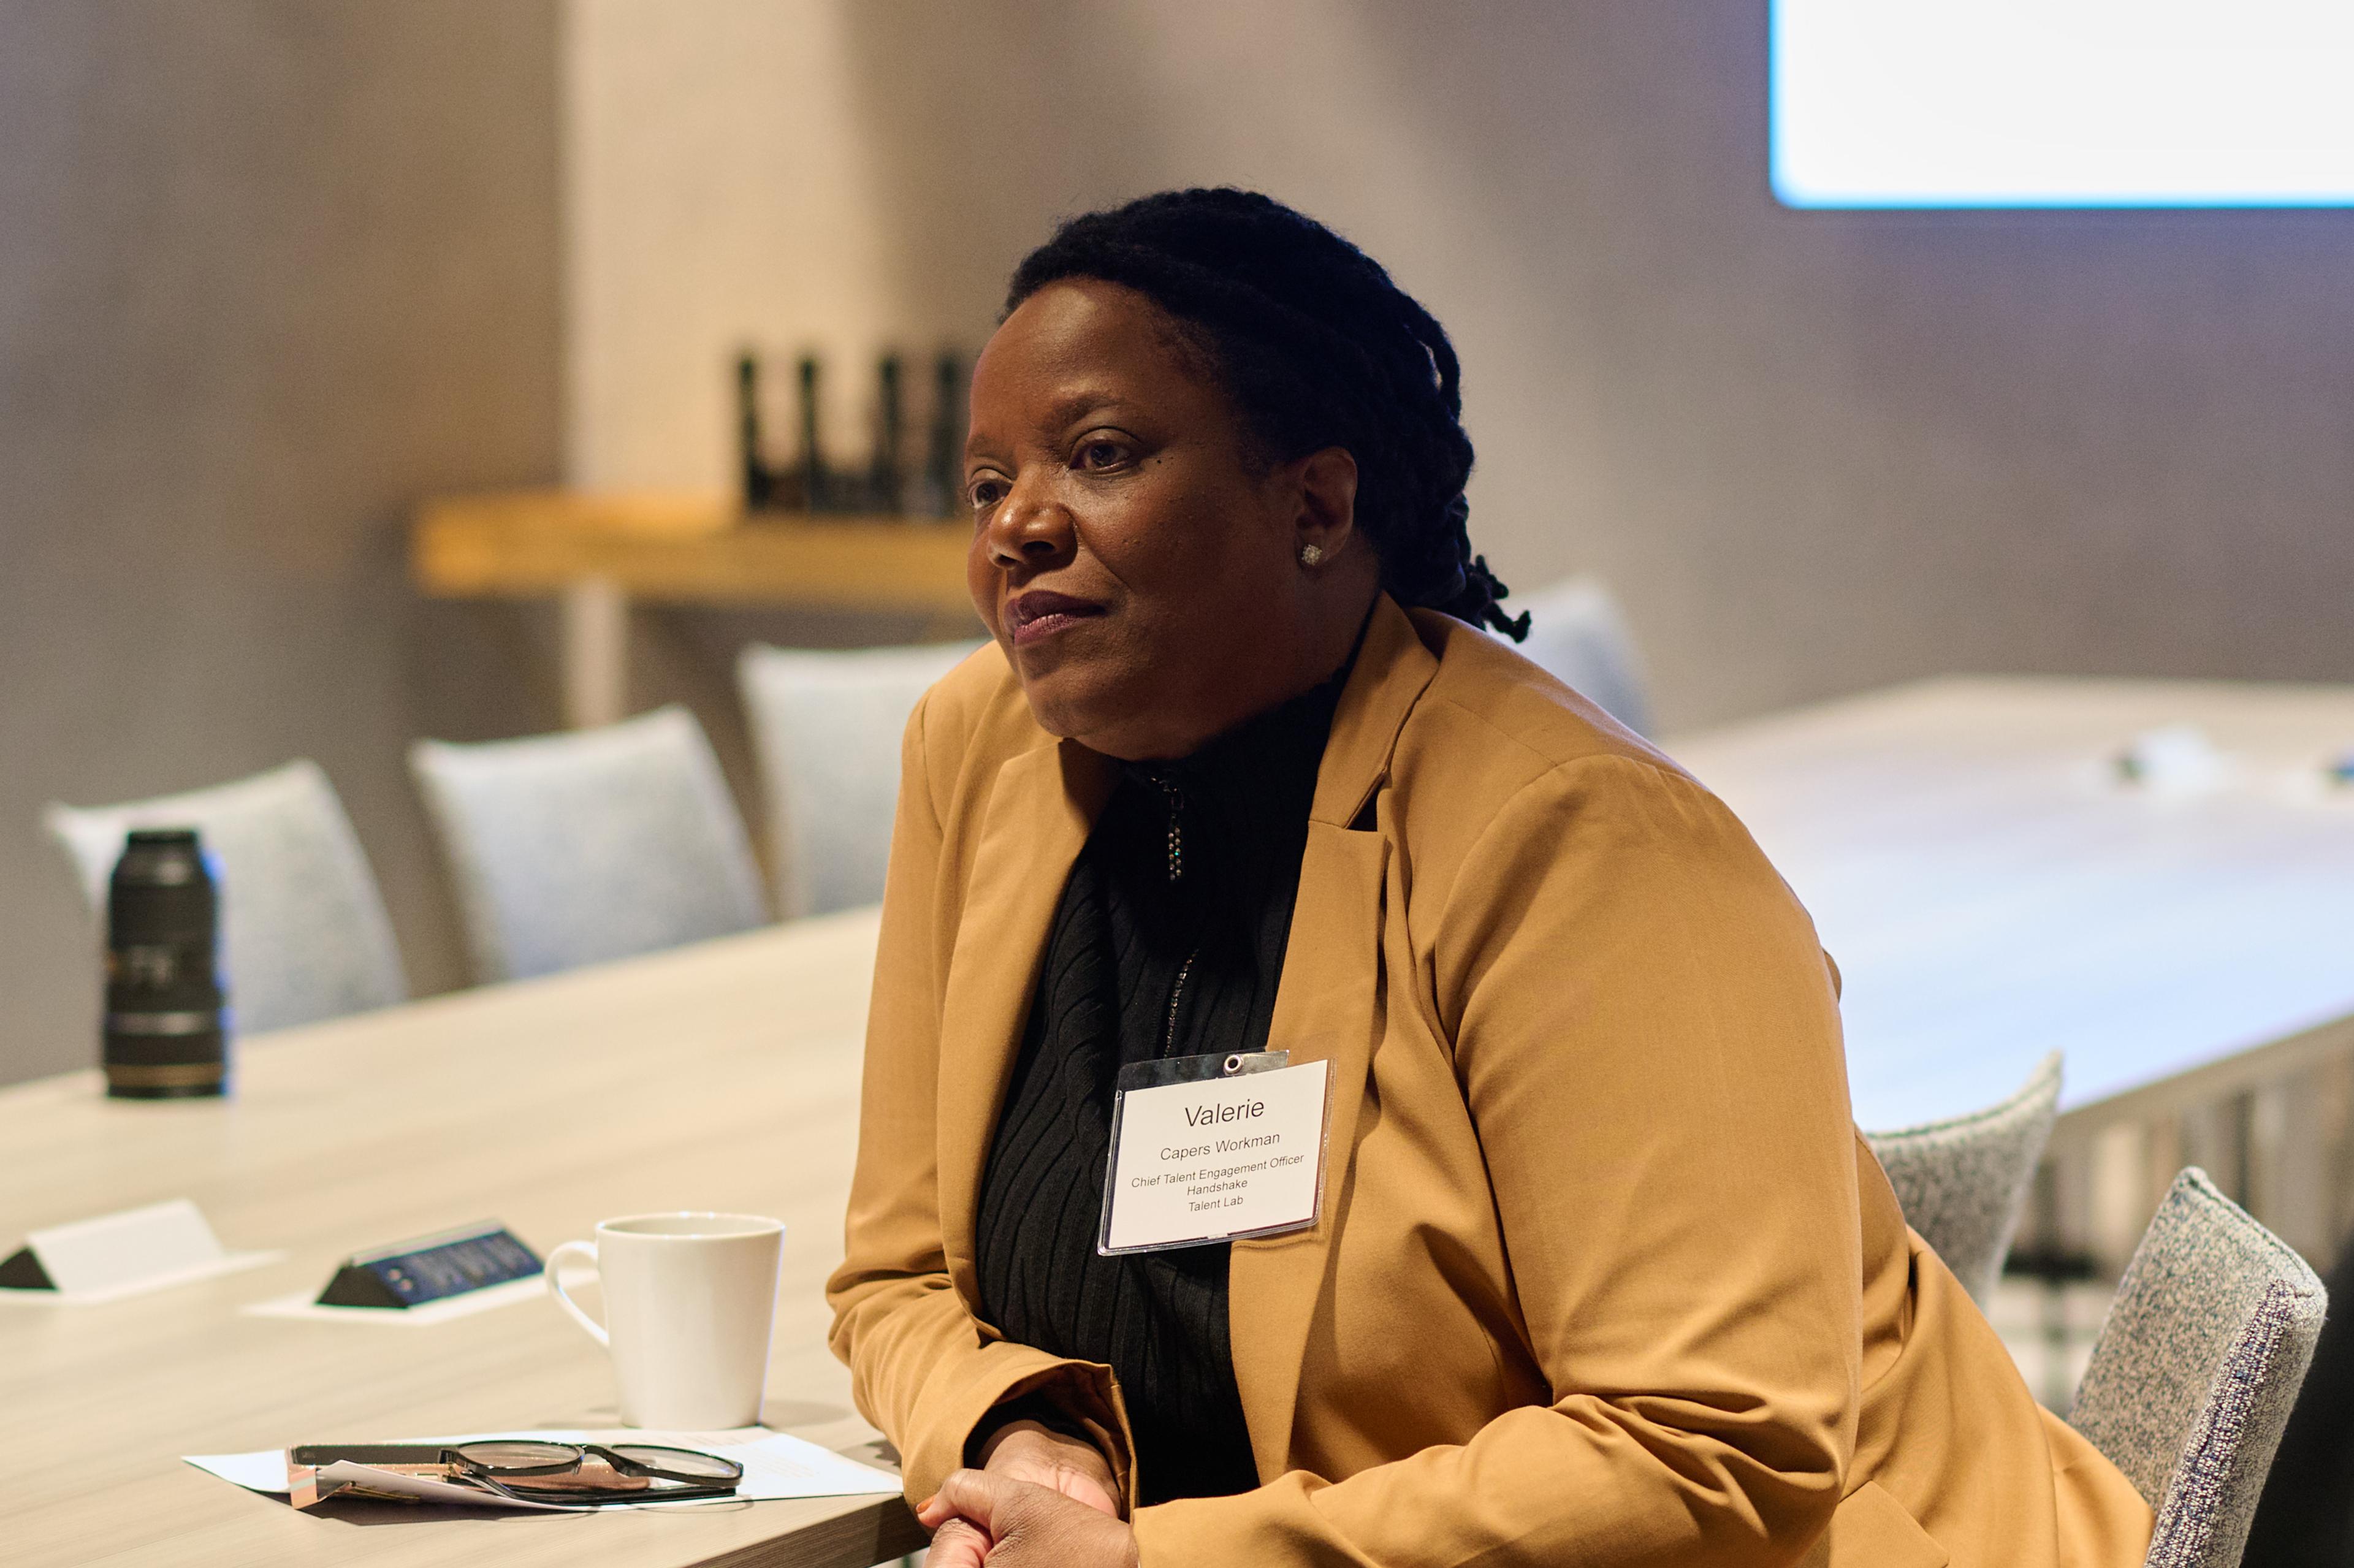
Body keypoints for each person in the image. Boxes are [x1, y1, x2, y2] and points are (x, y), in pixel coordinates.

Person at [826, 188, 2154, 1568]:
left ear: (1318, 503)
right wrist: (1025, 1430)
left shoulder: (1583, 842)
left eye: (1099, 455)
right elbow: (899, 1274)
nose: (1020, 526)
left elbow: (1716, 1447)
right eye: (988, 486)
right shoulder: (980, 750)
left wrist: (1162, 1561)